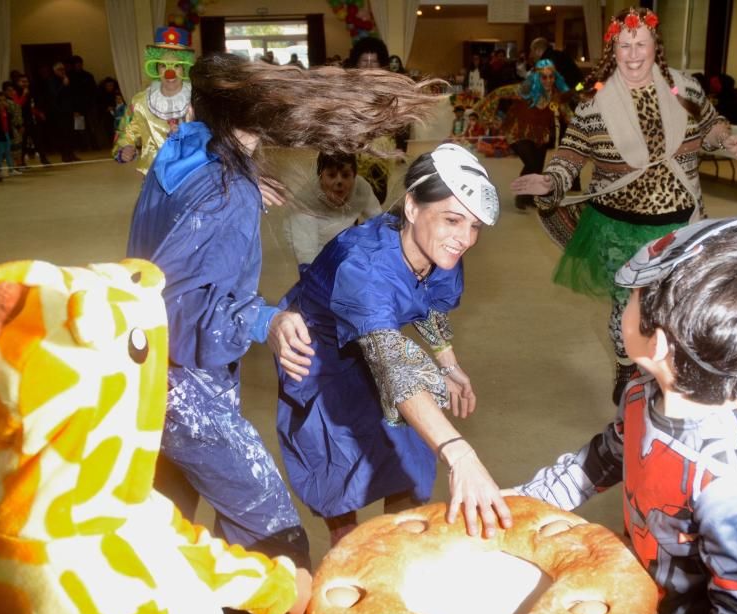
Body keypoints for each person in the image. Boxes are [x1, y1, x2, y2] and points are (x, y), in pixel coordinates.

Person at [126, 53, 442, 569]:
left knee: (166, 527)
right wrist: (264, 320)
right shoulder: (224, 196)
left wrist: (247, 174)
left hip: (144, 378)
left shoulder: (182, 151)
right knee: (275, 546)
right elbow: (181, 306)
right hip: (184, 388)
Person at [510, 216, 737, 614]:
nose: (620, 312)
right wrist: (524, 501)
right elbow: (605, 457)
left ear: (660, 344)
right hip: (643, 583)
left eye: (627, 301)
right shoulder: (643, 390)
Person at [275, 143, 512, 547]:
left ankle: (396, 554)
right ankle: (347, 558)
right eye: (453, 220)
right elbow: (395, 368)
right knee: (340, 478)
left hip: (377, 342)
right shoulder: (363, 269)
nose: (465, 238)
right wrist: (459, 453)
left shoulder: (436, 249)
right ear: (413, 206)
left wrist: (449, 363)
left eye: (473, 226)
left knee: (410, 464)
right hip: (319, 356)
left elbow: (427, 304)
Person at [511, 7, 737, 404]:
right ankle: (626, 366)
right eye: (625, 46)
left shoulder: (686, 90)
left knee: (678, 308)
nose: (634, 54)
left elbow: (711, 126)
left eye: (641, 44)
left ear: (657, 46)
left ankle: (672, 374)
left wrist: (726, 139)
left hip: (681, 224)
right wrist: (550, 180)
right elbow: (570, 155)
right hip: (616, 226)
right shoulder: (593, 107)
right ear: (613, 50)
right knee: (630, 307)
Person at [477, 58, 572, 209]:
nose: (548, 80)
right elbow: (497, 93)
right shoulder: (525, 90)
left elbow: (567, 114)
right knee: (531, 163)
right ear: (537, 77)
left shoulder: (556, 95)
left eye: (551, 76)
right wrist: (491, 118)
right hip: (517, 132)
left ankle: (529, 197)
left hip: (540, 135)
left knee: (537, 168)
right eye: (544, 77)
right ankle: (521, 196)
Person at [114, 26, 197, 174]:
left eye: (177, 65)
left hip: (191, 174)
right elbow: (125, 132)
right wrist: (125, 147)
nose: (169, 73)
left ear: (184, 68)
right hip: (154, 175)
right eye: (163, 66)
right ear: (155, 68)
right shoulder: (140, 102)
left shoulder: (198, 99)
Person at [284, 152, 382, 266]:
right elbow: (307, 254)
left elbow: (378, 221)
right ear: (320, 177)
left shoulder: (362, 188)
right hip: (314, 244)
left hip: (341, 239)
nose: (339, 182)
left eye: (345, 175)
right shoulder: (306, 201)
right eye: (331, 175)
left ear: (354, 176)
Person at [344, 36, 396, 203]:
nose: (368, 65)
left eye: (373, 61)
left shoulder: (389, 87)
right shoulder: (346, 86)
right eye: (364, 60)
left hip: (378, 149)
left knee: (377, 196)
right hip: (350, 148)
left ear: (381, 64)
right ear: (356, 63)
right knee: (347, 197)